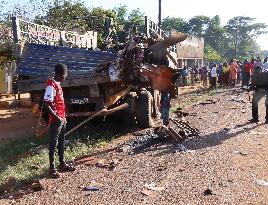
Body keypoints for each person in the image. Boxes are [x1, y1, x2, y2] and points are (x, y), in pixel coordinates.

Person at [43, 63, 75, 178]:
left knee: (61, 141)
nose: (66, 76)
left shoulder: (58, 84)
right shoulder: (51, 85)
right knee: (53, 143)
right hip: (56, 120)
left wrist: (63, 118)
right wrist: (57, 118)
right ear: (62, 74)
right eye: (65, 74)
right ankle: (52, 169)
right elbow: (46, 104)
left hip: (62, 119)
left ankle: (62, 164)